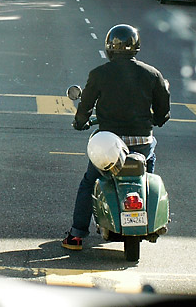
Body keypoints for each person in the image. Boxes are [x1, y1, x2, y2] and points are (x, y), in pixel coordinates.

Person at [62, 24, 170, 251]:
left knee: (89, 182)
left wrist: (79, 122)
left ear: (110, 48)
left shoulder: (99, 74)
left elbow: (86, 106)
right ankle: (147, 208)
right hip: (142, 143)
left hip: (109, 144)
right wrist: (157, 119)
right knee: (149, 167)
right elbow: (163, 111)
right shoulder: (153, 74)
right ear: (136, 47)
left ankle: (76, 235)